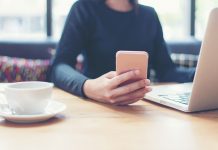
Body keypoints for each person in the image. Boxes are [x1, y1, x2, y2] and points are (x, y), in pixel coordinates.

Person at [51, 0, 195, 105]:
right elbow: (59, 66)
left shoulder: (149, 15)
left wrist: (203, 74)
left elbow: (167, 71)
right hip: (96, 106)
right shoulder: (84, 8)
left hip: (142, 108)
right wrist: (87, 87)